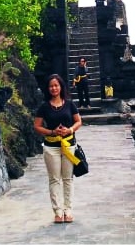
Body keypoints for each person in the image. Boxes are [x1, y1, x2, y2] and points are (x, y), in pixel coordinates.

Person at [33, 74, 82, 224]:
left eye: (56, 85)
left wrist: (70, 130)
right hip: (51, 147)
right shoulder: (44, 106)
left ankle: (68, 210)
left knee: (68, 179)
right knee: (54, 180)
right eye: (51, 86)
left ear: (61, 87)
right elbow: (37, 126)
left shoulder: (69, 104)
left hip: (68, 145)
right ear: (48, 89)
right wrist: (52, 132)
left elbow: (78, 121)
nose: (54, 88)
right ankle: (58, 212)